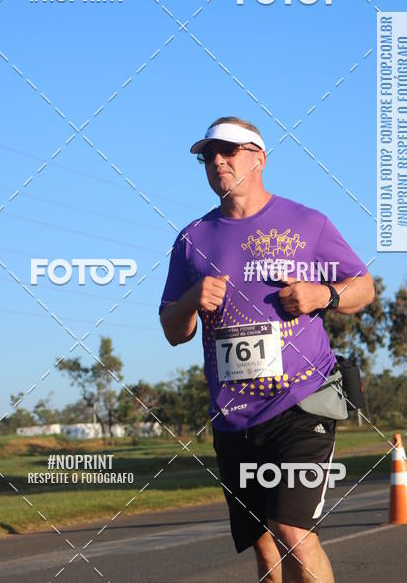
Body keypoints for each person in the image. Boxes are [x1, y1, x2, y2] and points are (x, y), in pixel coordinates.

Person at [159, 117, 374, 583]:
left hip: (301, 402)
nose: (217, 160)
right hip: (233, 417)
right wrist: (192, 299)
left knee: (292, 531)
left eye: (228, 151)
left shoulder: (307, 223)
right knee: (263, 540)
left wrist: (325, 296)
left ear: (258, 157)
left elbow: (364, 286)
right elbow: (172, 330)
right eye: (208, 154)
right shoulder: (192, 240)